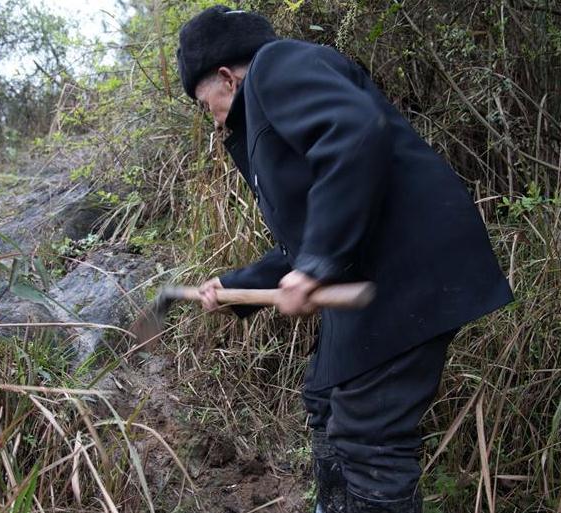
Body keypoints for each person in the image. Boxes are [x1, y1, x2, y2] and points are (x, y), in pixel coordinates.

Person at [176, 5, 513, 513]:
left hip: (402, 269)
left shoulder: (276, 66)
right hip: (369, 270)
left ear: (226, 76)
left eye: (208, 104)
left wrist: (316, 265)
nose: (214, 120)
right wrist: (232, 287)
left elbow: (355, 131)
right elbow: (305, 236)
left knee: (369, 434)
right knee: (325, 399)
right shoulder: (268, 124)